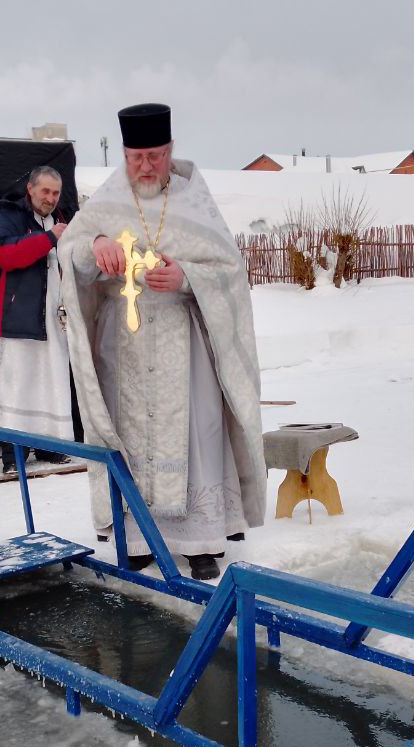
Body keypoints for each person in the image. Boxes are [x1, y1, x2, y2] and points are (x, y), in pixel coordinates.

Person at [57, 103, 265, 581]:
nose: (145, 166)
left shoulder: (195, 202)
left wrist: (188, 276)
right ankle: (135, 537)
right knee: (128, 436)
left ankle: (200, 542)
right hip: (122, 344)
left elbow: (230, 271)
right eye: (136, 157)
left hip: (182, 341)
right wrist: (94, 246)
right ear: (125, 154)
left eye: (154, 156)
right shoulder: (106, 201)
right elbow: (70, 258)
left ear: (170, 151)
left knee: (195, 433)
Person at [0, 166, 74, 474]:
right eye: (45, 191)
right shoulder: (8, 215)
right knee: (19, 381)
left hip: (56, 313)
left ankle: (51, 446)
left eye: (55, 193)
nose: (50, 198)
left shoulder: (65, 217)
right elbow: (8, 256)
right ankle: (14, 452)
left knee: (52, 377)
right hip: (20, 312)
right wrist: (49, 237)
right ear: (30, 188)